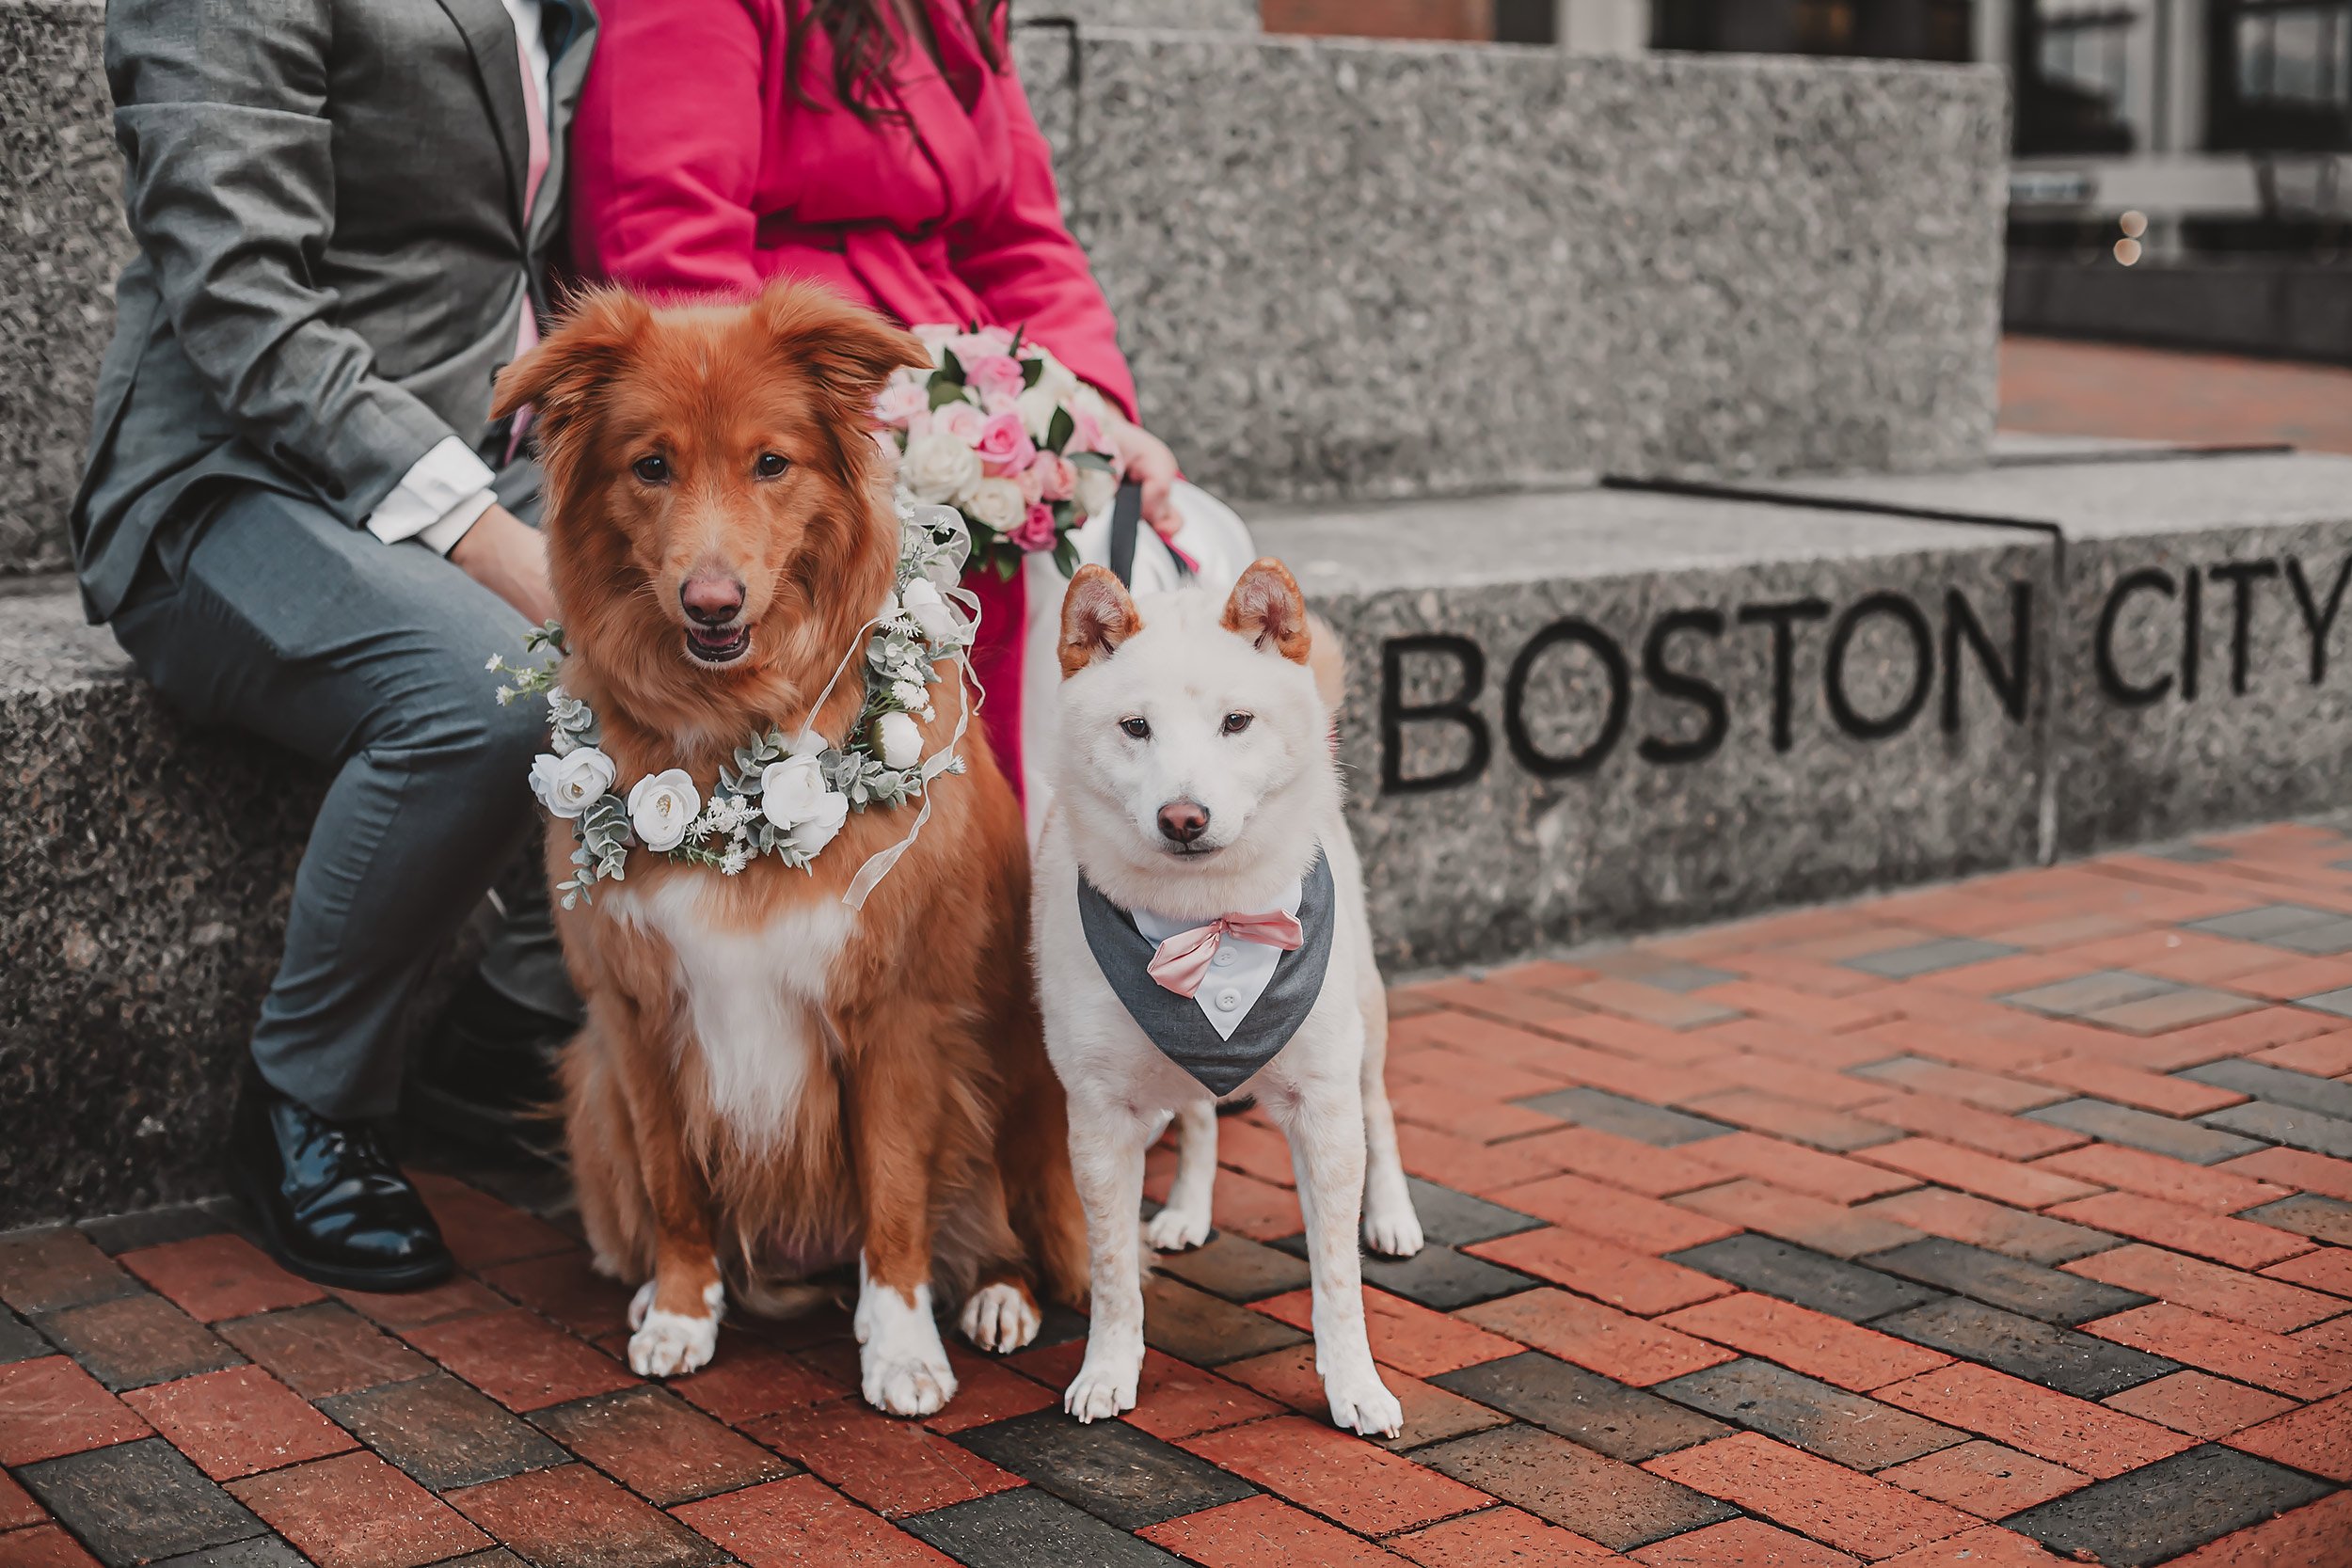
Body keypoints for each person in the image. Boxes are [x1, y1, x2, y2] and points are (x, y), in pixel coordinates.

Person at [72, 0, 598, 1291]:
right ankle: (302, 1101)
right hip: (226, 479)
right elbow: (241, 299)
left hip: (488, 448)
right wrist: (485, 536)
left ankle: (501, 1039)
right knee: (491, 694)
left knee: (742, 625)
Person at [569, 0, 1253, 821]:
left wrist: (1093, 419)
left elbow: (1021, 238)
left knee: (1200, 544)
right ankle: (1038, 898)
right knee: (1082, 582)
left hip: (969, 377)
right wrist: (861, 427)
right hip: (806, 401)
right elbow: (670, 247)